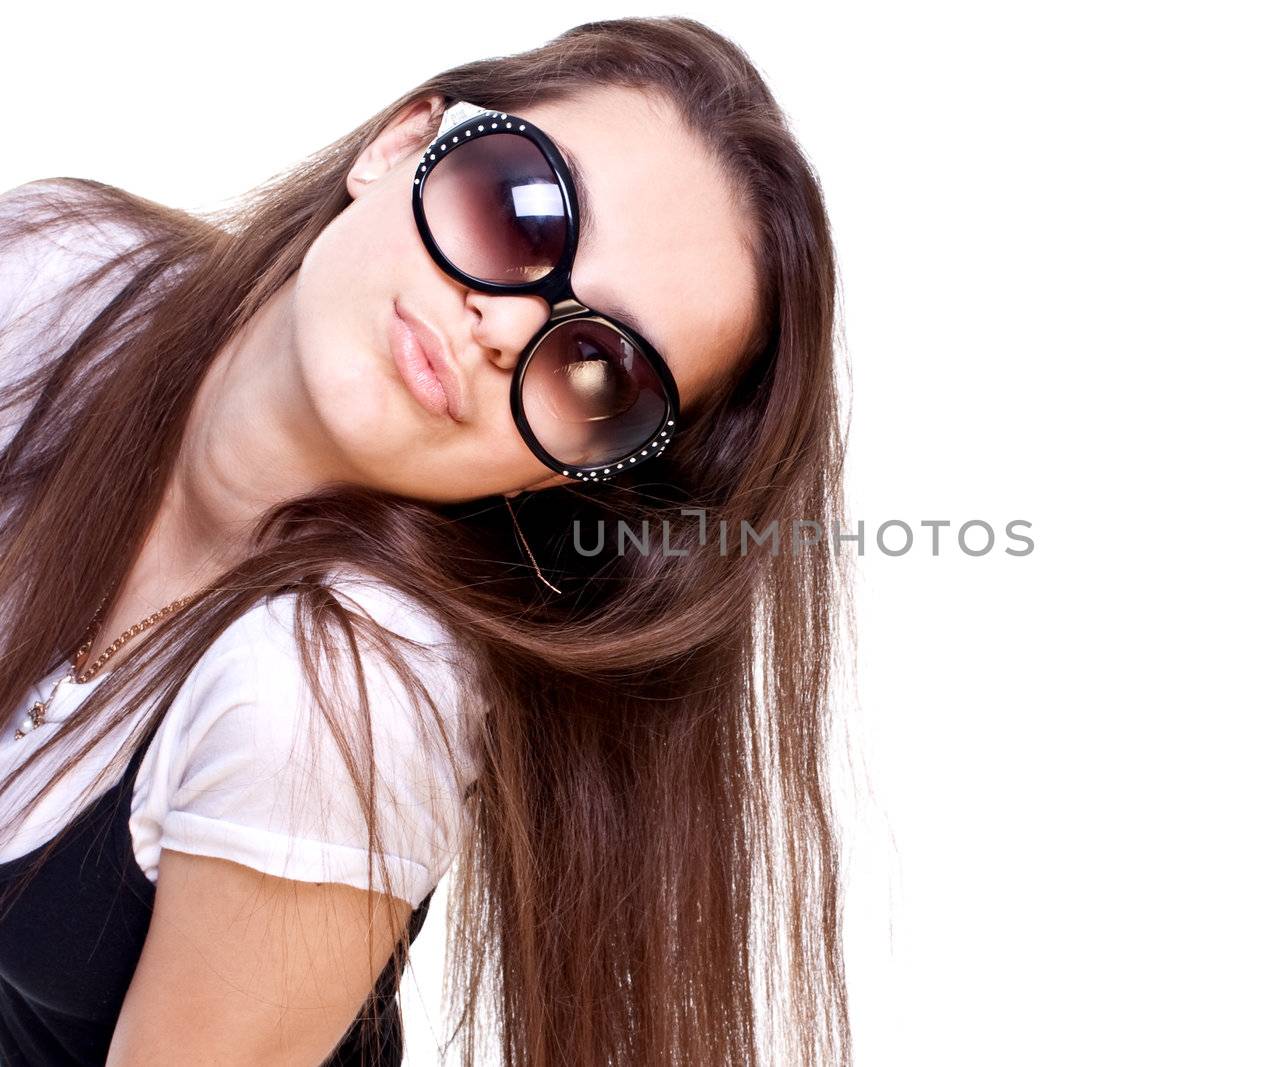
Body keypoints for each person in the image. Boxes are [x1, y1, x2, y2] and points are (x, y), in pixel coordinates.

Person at [0, 15, 852, 1067]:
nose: (505, 326)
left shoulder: (338, 693)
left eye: (597, 368)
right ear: (401, 146)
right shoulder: (47, 280)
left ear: (571, 467)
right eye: (518, 208)